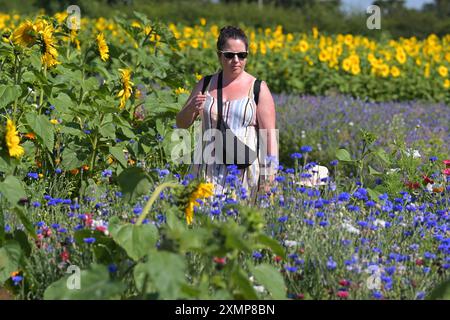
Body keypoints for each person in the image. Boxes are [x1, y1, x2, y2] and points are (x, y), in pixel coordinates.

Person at [176, 26, 278, 203]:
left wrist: (269, 178)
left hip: (243, 173)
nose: (236, 60)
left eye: (242, 55)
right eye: (229, 55)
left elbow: (269, 137)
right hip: (206, 169)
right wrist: (191, 107)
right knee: (203, 224)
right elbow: (181, 124)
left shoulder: (258, 89)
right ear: (219, 55)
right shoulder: (206, 84)